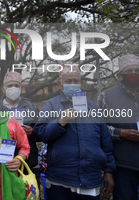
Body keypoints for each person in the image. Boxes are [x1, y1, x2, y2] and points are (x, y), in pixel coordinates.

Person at [34, 63, 115, 200]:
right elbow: (40, 133)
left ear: (81, 83)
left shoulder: (93, 107)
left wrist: (108, 171)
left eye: (76, 81)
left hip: (91, 179)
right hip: (60, 180)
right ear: (61, 84)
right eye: (68, 81)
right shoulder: (52, 105)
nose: (73, 84)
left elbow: (105, 142)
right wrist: (60, 123)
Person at [97, 54, 139, 200]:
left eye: (137, 70)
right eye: (129, 71)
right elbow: (99, 127)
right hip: (123, 165)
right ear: (120, 75)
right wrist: (120, 133)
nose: (134, 74)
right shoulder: (107, 96)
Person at [0, 71, 40, 178]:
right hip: (2, 164)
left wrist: (33, 132)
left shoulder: (31, 106)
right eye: (10, 86)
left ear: (21, 88)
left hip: (28, 163)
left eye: (16, 85)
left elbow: (42, 131)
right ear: (3, 89)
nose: (13, 88)